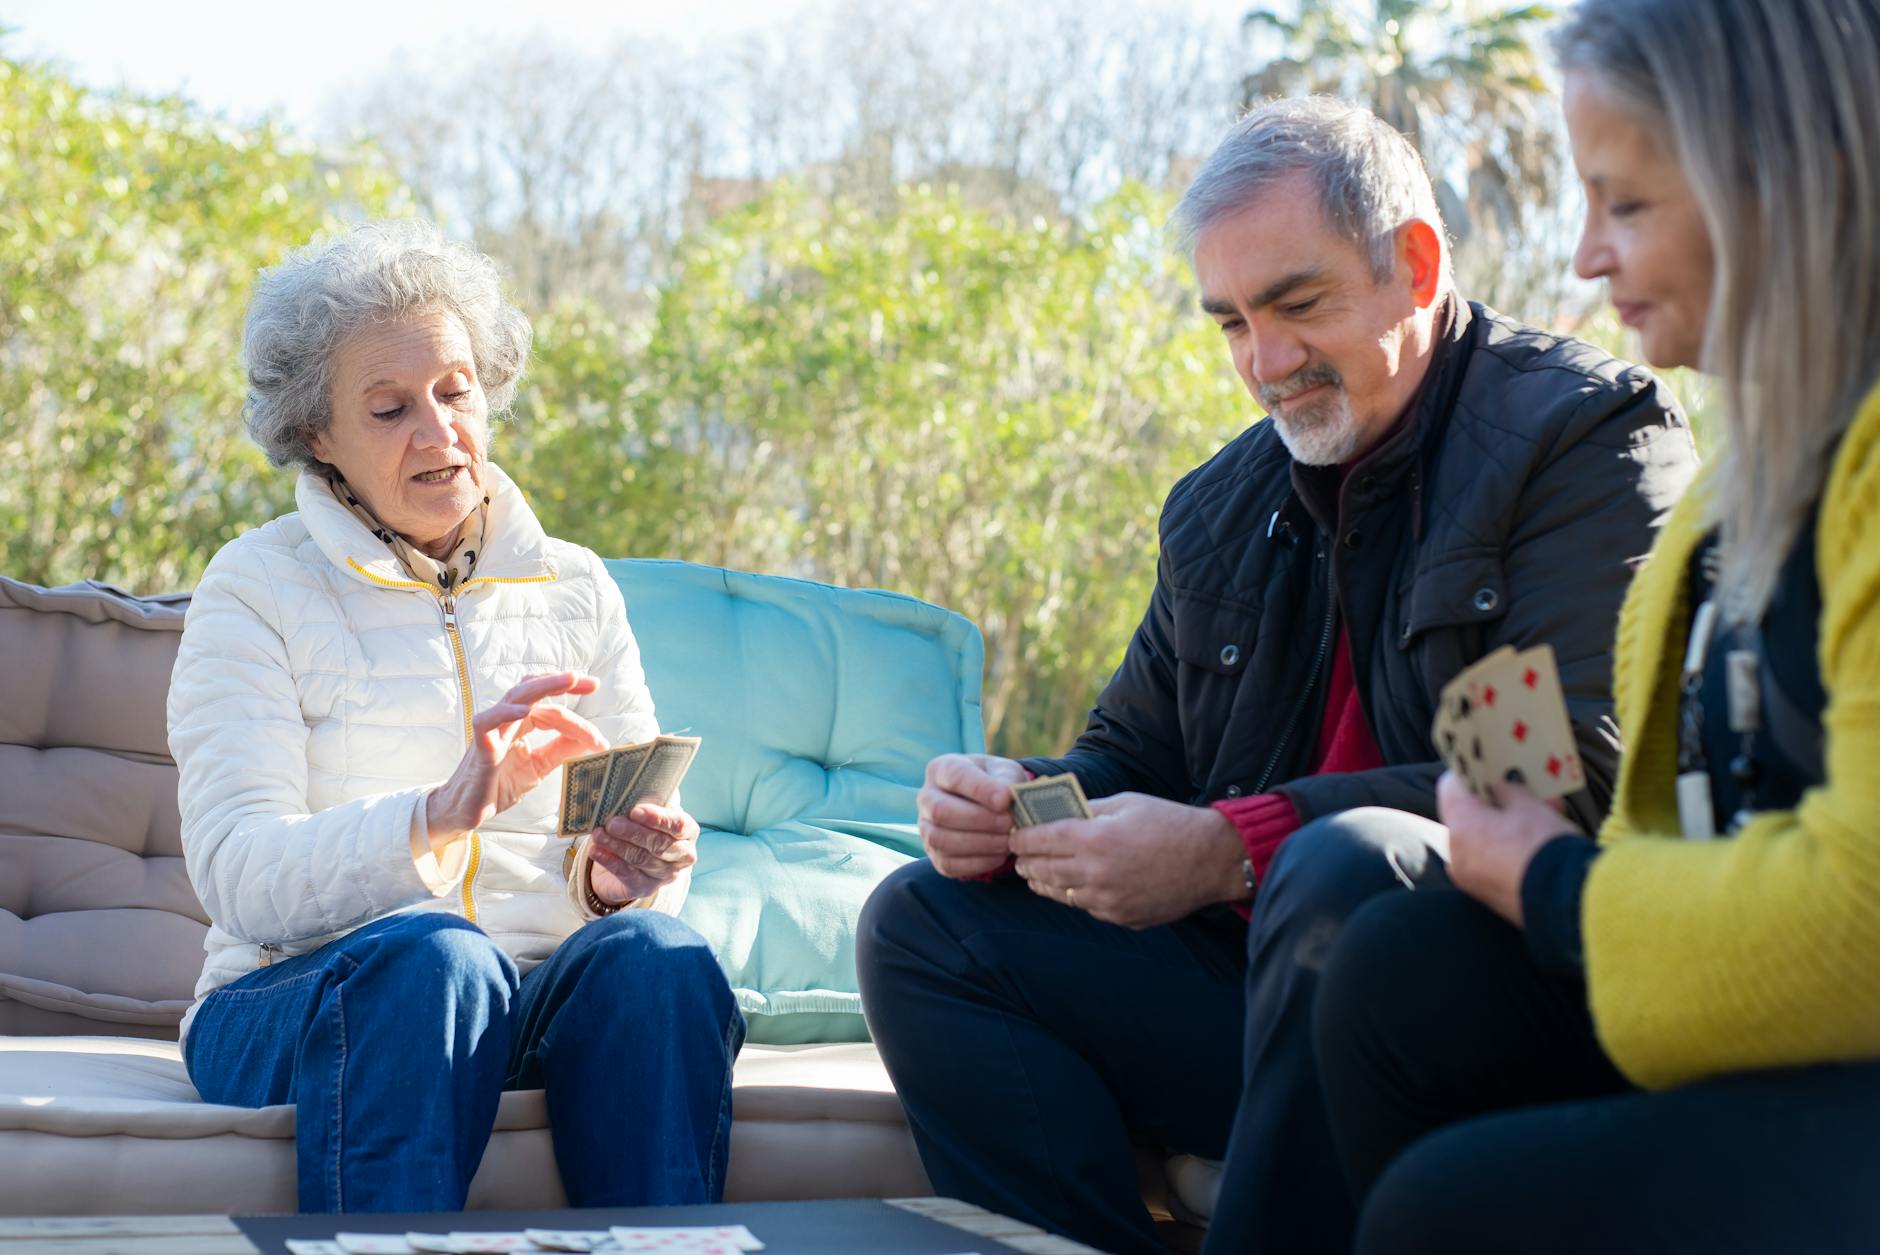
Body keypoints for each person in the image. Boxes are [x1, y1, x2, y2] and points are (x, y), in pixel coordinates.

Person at [856, 96, 1700, 1255]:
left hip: (1497, 995)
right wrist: (1015, 802)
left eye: (1296, 305)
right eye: (1231, 324)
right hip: (1265, 999)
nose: (1265, 362)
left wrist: (1227, 844)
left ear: (1412, 263)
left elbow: (1557, 780)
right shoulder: (1219, 507)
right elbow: (1131, 755)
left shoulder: (1577, 437)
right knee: (923, 917)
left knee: (1336, 866)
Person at [1309, 1, 1880, 1251]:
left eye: (1624, 205)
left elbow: (1861, 913)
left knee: (1433, 1212)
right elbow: (1657, 826)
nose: (1582, 258)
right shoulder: (1733, 495)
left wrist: (1551, 882)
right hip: (1715, 1015)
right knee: (1392, 969)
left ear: (1785, 189)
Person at [167, 220, 744, 1214]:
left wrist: (620, 875)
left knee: (658, 959)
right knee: (440, 956)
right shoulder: (255, 586)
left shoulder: (575, 586)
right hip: (300, 995)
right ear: (319, 434)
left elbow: (625, 870)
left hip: (534, 989)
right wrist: (439, 813)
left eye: (456, 389)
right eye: (388, 408)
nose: (438, 433)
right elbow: (239, 874)